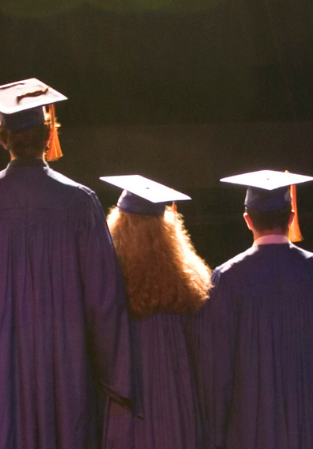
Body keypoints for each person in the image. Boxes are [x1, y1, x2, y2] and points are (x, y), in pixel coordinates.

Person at [0, 78, 139, 449]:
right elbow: (104, 299)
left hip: (1, 364)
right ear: (48, 135)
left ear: (3, 137)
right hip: (65, 364)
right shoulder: (80, 202)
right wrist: (113, 375)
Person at [196, 170, 313, 449]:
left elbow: (216, 368)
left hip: (250, 426)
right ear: (291, 217)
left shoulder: (227, 279)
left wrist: (216, 434)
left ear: (247, 220)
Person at [97, 175, 210, 449]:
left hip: (125, 397)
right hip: (175, 399)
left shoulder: (106, 280)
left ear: (119, 225)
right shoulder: (186, 282)